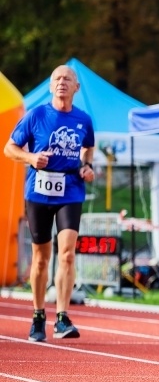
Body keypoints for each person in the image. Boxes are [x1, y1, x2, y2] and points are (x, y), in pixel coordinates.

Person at [4, 64, 96, 342]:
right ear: (50, 86)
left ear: (76, 87)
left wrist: (87, 165)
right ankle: (38, 315)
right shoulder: (37, 115)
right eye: (57, 78)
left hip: (70, 190)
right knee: (41, 258)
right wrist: (31, 159)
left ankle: (63, 317)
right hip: (40, 191)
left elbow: (89, 146)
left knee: (67, 252)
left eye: (67, 79)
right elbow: (9, 148)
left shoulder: (83, 119)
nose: (62, 82)